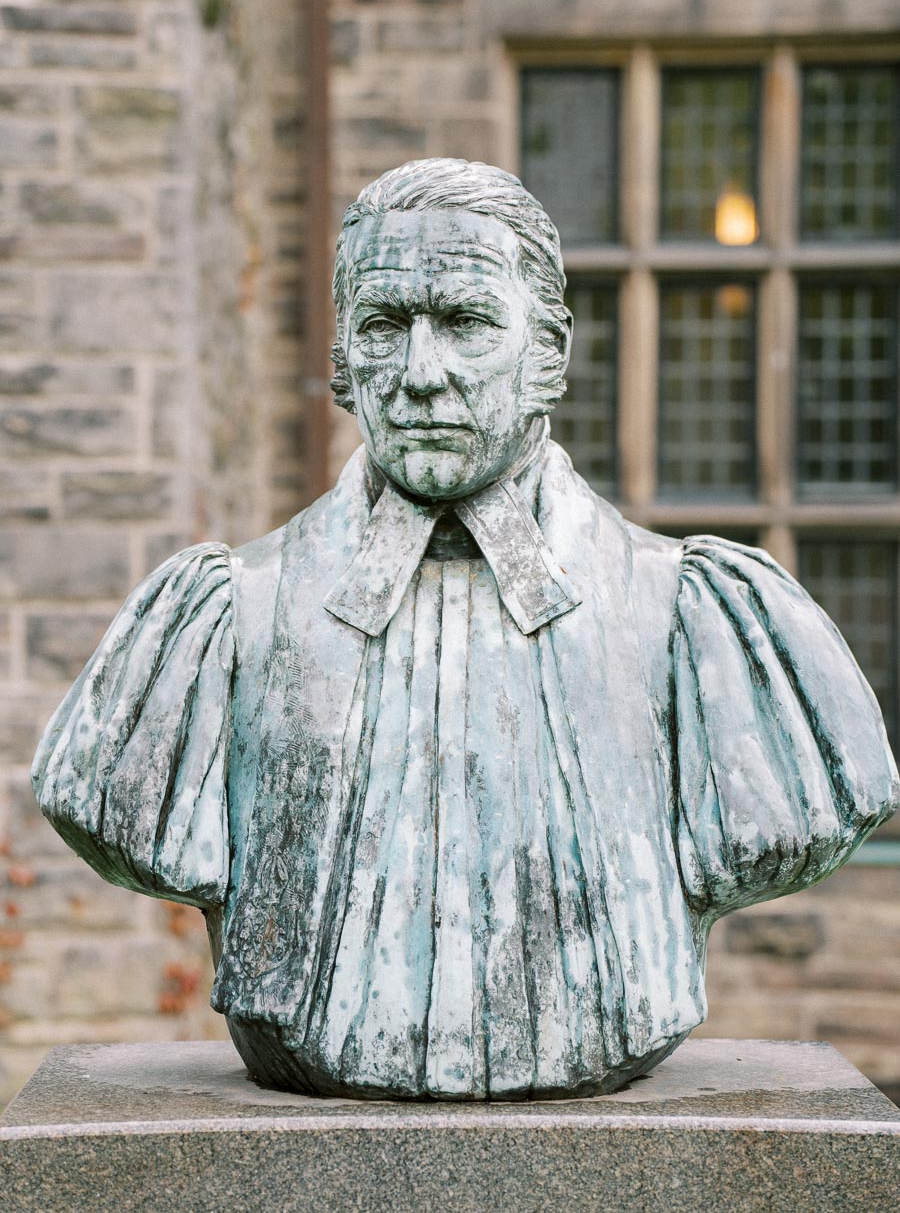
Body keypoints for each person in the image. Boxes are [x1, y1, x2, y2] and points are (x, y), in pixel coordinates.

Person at [32, 158, 900, 1100]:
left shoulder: (697, 614)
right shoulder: (221, 618)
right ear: (339, 362)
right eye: (382, 327)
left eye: (467, 323)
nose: (421, 375)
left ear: (550, 356)